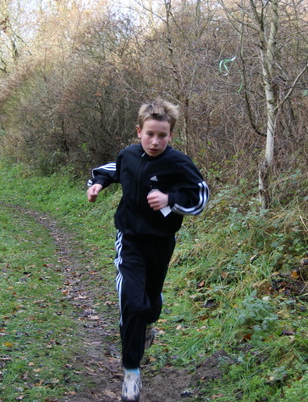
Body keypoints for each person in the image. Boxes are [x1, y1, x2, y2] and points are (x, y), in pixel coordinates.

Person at [86, 98, 209, 402]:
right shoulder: (129, 155)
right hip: (129, 240)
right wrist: (98, 183)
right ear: (138, 131)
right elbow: (113, 168)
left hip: (161, 243)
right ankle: (131, 374)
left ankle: (149, 321)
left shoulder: (178, 163)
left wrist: (170, 199)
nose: (155, 142)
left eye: (162, 136)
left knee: (150, 304)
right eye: (150, 134)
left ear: (171, 136)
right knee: (132, 303)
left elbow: (201, 196)